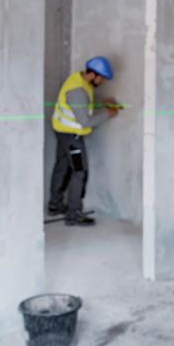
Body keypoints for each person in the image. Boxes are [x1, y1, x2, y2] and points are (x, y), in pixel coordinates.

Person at [49, 56, 120, 226]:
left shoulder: (79, 79)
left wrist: (102, 105)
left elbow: (80, 107)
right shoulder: (77, 91)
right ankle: (74, 215)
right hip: (72, 138)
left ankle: (55, 205)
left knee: (62, 168)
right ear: (93, 74)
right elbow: (85, 122)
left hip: (63, 132)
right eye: (102, 78)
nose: (102, 82)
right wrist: (108, 114)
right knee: (79, 172)